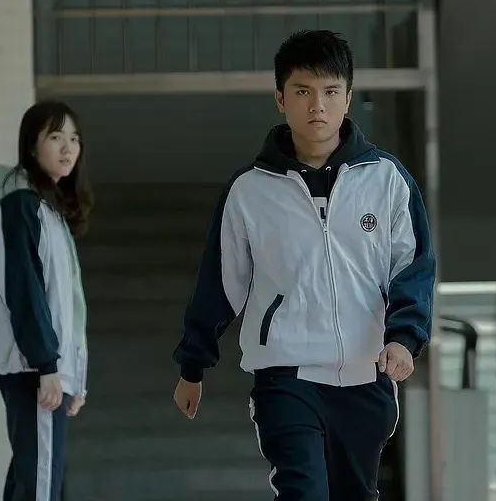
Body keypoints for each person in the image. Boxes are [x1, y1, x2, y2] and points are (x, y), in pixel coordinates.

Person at [171, 30, 436, 500]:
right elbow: (221, 282)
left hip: (367, 375)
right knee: (302, 492)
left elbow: (412, 267)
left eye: (331, 91)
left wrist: (404, 337)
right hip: (286, 373)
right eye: (303, 91)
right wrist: (193, 364)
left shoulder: (388, 181)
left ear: (348, 98)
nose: (318, 105)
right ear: (280, 99)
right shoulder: (249, 191)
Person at [0, 100, 93, 501]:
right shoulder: (21, 206)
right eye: (56, 137)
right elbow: (24, 290)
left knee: (32, 481)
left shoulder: (47, 210)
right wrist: (48, 365)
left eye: (74, 138)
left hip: (43, 368)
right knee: (41, 486)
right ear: (31, 145)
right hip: (33, 368)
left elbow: (66, 304)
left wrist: (73, 374)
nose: (68, 148)